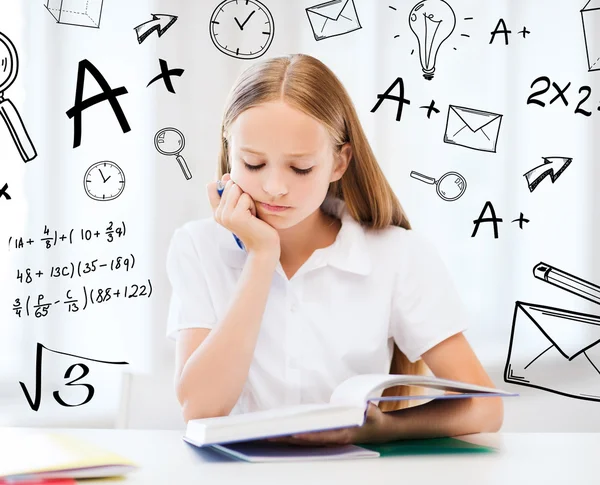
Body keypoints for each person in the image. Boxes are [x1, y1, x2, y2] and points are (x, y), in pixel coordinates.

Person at [165, 53, 503, 446]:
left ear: (339, 163)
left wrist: (386, 428)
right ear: (230, 152)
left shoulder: (396, 255)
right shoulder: (198, 245)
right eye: (253, 163)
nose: (275, 186)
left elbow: (486, 407)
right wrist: (261, 257)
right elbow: (200, 410)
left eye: (301, 168)